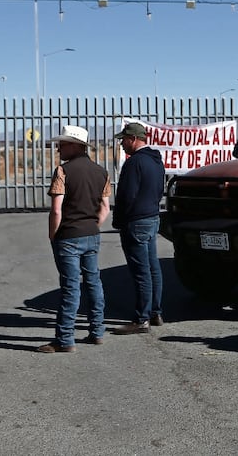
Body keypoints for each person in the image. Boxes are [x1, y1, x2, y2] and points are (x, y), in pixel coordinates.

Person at [39, 125, 111, 352]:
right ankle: (97, 331)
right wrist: (93, 225)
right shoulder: (102, 172)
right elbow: (105, 208)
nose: (58, 148)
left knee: (70, 287)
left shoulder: (63, 171)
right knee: (93, 282)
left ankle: (65, 339)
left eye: (63, 144)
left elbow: (57, 210)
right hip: (91, 233)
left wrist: (53, 235)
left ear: (75, 145)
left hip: (68, 235)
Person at [112, 122, 166, 335]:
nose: (122, 144)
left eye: (123, 140)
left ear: (133, 139)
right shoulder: (156, 161)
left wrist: (119, 220)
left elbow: (127, 195)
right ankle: (155, 311)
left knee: (141, 271)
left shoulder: (134, 163)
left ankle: (142, 318)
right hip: (152, 217)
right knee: (153, 267)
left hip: (136, 221)